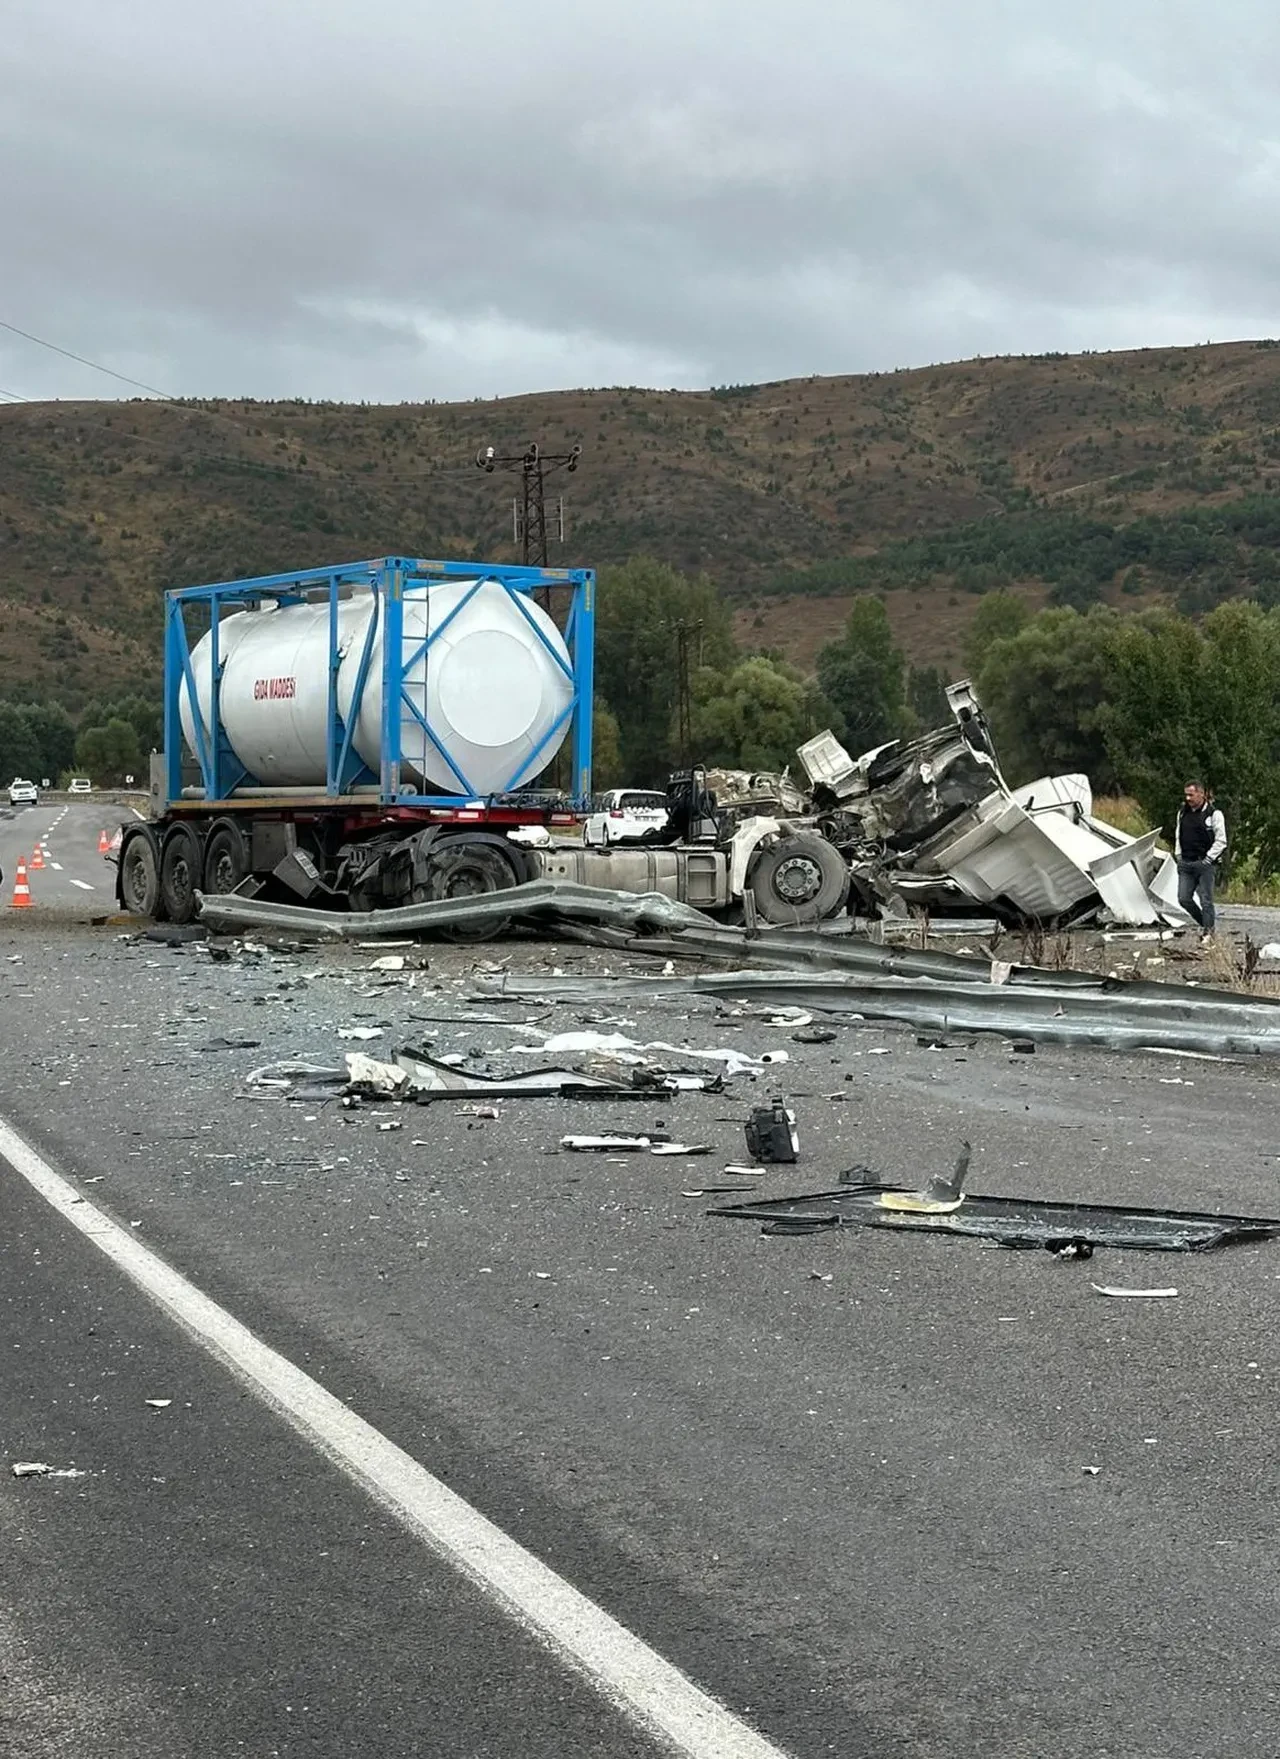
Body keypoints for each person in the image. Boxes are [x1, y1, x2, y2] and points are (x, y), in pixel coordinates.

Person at [1175, 781, 1227, 939]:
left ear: (1201, 794)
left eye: (1191, 795)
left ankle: (1208, 933)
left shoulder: (1214, 814)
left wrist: (1209, 858)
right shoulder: (1182, 813)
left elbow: (1221, 840)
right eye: (1186, 795)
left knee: (1206, 900)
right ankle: (1206, 925)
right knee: (1184, 898)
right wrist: (1178, 855)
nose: (1188, 798)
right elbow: (1178, 835)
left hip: (1205, 863)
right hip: (1186, 862)